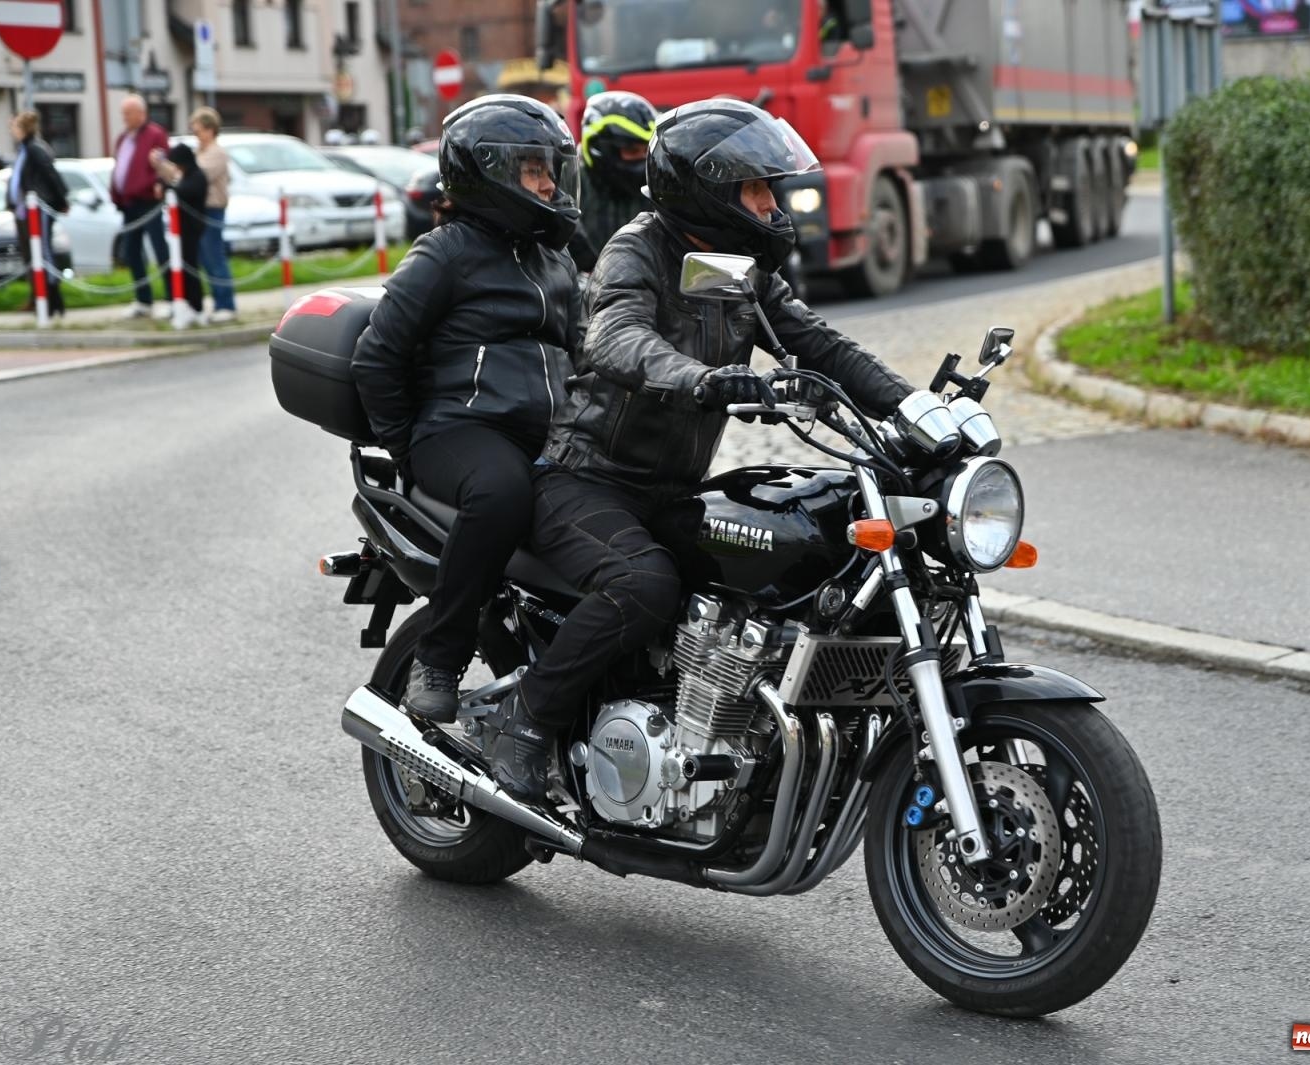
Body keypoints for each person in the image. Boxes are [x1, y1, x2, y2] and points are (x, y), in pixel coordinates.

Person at [484, 100, 916, 802]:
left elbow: (818, 344)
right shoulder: (639, 249)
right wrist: (706, 379)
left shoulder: (728, 267)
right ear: (709, 191)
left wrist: (915, 407)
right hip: (587, 478)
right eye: (756, 190)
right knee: (643, 585)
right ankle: (526, 720)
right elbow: (615, 336)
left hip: (672, 487)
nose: (771, 205)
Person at [351, 94, 581, 723]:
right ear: (490, 173)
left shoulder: (554, 259)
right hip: (462, 430)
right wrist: (407, 447)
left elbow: (589, 352)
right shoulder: (445, 252)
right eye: (533, 170)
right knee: (503, 493)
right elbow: (378, 357)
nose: (548, 183)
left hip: (546, 433)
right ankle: (441, 656)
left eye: (550, 169)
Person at [567, 91, 657, 273]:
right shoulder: (564, 185)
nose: (642, 159)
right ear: (601, 148)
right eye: (632, 151)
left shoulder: (657, 187)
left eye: (646, 151)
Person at [110, 94, 172, 319]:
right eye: (123, 113)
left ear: (140, 113)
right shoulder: (123, 138)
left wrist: (159, 183)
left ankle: (172, 298)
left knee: (159, 249)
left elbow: (164, 164)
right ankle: (143, 299)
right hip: (129, 203)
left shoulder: (155, 134)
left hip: (148, 202)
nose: (124, 118)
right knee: (132, 252)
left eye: (128, 113)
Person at [6, 111, 70, 318]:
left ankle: (52, 297)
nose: (12, 131)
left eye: (15, 126)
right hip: (25, 210)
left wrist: (61, 200)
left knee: (42, 251)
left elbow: (49, 173)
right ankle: (38, 297)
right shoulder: (23, 149)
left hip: (39, 208)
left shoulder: (34, 149)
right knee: (33, 254)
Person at [149, 142, 207, 322]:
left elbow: (184, 191)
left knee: (190, 268)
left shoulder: (197, 176)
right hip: (181, 230)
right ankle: (186, 303)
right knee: (181, 267)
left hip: (192, 230)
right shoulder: (186, 175)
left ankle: (196, 307)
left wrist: (168, 189)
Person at [187, 107, 236, 322]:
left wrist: (182, 169)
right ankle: (216, 302)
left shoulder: (217, 152)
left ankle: (226, 304)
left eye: (198, 129)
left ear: (210, 129)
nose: (195, 134)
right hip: (199, 210)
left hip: (213, 209)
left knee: (215, 256)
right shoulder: (200, 151)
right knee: (205, 258)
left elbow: (198, 176)